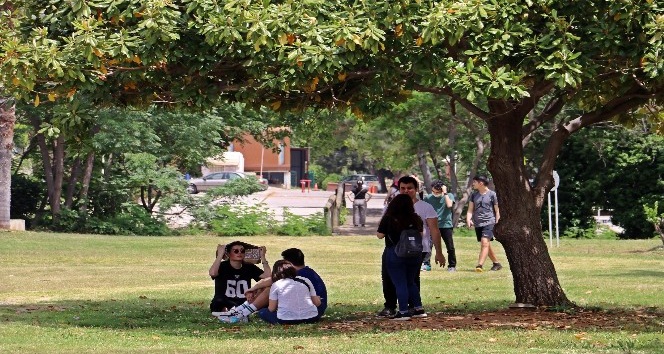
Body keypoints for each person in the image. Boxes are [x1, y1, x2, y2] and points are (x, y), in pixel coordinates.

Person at [377, 175, 445, 318]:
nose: (406, 191)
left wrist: (439, 251)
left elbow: (434, 230)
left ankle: (406, 309)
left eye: (410, 188)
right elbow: (421, 232)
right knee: (400, 280)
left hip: (408, 251)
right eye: (403, 188)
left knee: (406, 280)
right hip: (405, 250)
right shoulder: (407, 213)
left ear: (416, 189)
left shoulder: (425, 208)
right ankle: (404, 307)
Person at [377, 193, 428, 320]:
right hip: (415, 254)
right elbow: (422, 235)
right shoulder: (416, 218)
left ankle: (403, 311)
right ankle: (418, 308)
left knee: (400, 283)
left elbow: (380, 235)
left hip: (395, 253)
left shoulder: (389, 218)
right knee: (411, 282)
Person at [256, 248, 327, 324]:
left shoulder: (296, 276)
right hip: (314, 312)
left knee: (263, 310)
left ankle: (246, 309)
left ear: (288, 263)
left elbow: (269, 281)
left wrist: (254, 288)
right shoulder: (308, 273)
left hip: (313, 308)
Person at [209, 242, 271, 322]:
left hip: (243, 301)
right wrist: (220, 255)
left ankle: (235, 315)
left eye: (242, 251)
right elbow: (213, 273)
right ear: (228, 253)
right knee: (218, 302)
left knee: (266, 292)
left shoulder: (249, 267)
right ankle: (233, 315)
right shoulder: (222, 266)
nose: (239, 253)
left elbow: (268, 277)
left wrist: (263, 257)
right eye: (236, 251)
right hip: (224, 300)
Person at [466, 175, 503, 272]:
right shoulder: (474, 195)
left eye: (474, 182)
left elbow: (497, 210)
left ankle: (479, 265)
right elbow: (470, 210)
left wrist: (497, 222)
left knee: (484, 242)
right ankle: (496, 263)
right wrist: (469, 219)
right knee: (486, 244)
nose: (473, 184)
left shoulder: (492, 195)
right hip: (478, 223)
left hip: (490, 222)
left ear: (480, 183)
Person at [265, 260, 321, 324]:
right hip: (312, 318)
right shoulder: (306, 280)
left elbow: (272, 309)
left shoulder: (276, 284)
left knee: (263, 312)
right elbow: (317, 303)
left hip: (286, 319)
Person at [423, 180, 457, 272]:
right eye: (433, 191)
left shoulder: (449, 196)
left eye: (437, 192)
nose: (435, 193)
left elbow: (449, 205)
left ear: (442, 190)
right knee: (428, 245)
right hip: (432, 226)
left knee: (450, 246)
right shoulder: (428, 198)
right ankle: (426, 264)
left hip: (446, 225)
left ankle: (452, 265)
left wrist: (445, 193)